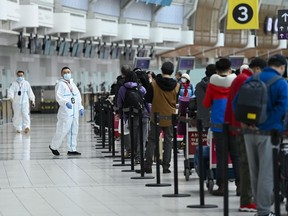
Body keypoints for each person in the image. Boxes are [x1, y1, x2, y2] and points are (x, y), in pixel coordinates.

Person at [235, 54, 288, 216]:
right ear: (282, 67)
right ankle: (264, 211)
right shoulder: (281, 83)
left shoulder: (251, 79)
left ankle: (260, 209)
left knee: (254, 171)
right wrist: (266, 123)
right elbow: (284, 107)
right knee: (267, 173)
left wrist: (246, 122)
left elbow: (236, 102)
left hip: (248, 132)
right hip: (268, 134)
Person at [225, 57, 267, 212]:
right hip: (242, 127)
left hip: (237, 126)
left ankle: (247, 198)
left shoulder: (242, 79)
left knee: (246, 162)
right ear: (257, 69)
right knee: (247, 163)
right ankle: (246, 201)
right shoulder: (246, 81)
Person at [203, 58, 238, 196]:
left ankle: (222, 186)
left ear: (217, 71)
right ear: (230, 69)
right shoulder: (235, 83)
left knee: (221, 156)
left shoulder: (212, 84)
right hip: (233, 123)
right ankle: (240, 186)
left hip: (218, 124)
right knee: (236, 156)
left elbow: (206, 103)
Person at [143, 61, 180, 173]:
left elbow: (148, 99)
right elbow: (176, 100)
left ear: (162, 70)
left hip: (156, 117)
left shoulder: (153, 84)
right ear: (172, 71)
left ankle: (148, 165)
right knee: (168, 141)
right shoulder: (177, 86)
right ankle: (166, 166)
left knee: (152, 141)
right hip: (170, 117)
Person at [49, 67, 84, 156]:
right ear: (62, 74)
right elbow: (58, 97)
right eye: (65, 72)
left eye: (68, 72)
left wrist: (80, 107)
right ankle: (53, 146)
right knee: (62, 130)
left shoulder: (73, 84)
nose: (67, 74)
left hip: (74, 111)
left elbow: (78, 96)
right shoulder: (60, 84)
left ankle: (72, 149)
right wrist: (65, 102)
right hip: (66, 112)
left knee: (74, 130)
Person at [117, 71, 148, 164]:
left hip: (132, 115)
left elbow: (119, 103)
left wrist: (122, 113)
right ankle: (140, 157)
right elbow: (146, 101)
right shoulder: (141, 88)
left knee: (133, 137)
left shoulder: (122, 89)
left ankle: (135, 155)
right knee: (142, 138)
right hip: (144, 115)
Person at [195, 64, 216, 131]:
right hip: (215, 118)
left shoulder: (198, 86)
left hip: (201, 119)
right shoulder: (217, 86)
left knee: (203, 140)